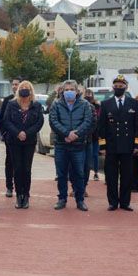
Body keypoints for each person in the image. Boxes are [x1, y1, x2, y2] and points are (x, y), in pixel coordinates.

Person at [98, 75, 138, 211]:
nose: (118, 88)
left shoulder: (134, 103)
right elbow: (101, 127)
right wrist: (102, 146)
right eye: (116, 86)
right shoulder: (106, 104)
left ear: (126, 87)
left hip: (127, 146)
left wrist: (137, 144)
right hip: (111, 145)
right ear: (113, 88)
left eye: (121, 86)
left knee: (127, 176)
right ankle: (112, 202)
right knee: (111, 176)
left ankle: (125, 202)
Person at [50, 80, 93, 211]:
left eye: (72, 89)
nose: (69, 92)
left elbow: (88, 121)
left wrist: (76, 134)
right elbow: (53, 121)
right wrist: (66, 133)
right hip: (61, 144)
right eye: (66, 89)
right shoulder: (56, 104)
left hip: (78, 145)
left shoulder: (85, 104)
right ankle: (62, 199)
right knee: (61, 174)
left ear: (77, 91)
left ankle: (80, 200)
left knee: (79, 173)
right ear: (62, 91)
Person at [1, 80, 44, 209]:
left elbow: (39, 122)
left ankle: (26, 195)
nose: (24, 89)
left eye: (27, 88)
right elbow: (6, 121)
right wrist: (18, 133)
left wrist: (27, 133)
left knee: (27, 169)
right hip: (14, 141)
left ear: (31, 91)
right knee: (17, 168)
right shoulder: (12, 104)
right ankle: (19, 194)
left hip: (29, 142)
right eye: (22, 87)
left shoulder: (36, 105)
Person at [0, 77, 21, 197]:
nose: (14, 86)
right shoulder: (7, 100)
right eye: (13, 84)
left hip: (24, 138)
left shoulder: (28, 100)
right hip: (10, 138)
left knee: (22, 164)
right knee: (10, 162)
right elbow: (2, 117)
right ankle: (9, 186)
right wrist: (4, 133)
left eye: (16, 84)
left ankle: (20, 188)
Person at [83, 88, 100, 191]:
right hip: (80, 138)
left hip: (93, 136)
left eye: (90, 94)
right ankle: (77, 187)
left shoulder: (96, 106)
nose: (88, 95)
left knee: (93, 156)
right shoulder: (79, 105)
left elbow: (96, 121)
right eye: (87, 93)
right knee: (79, 162)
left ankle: (96, 172)